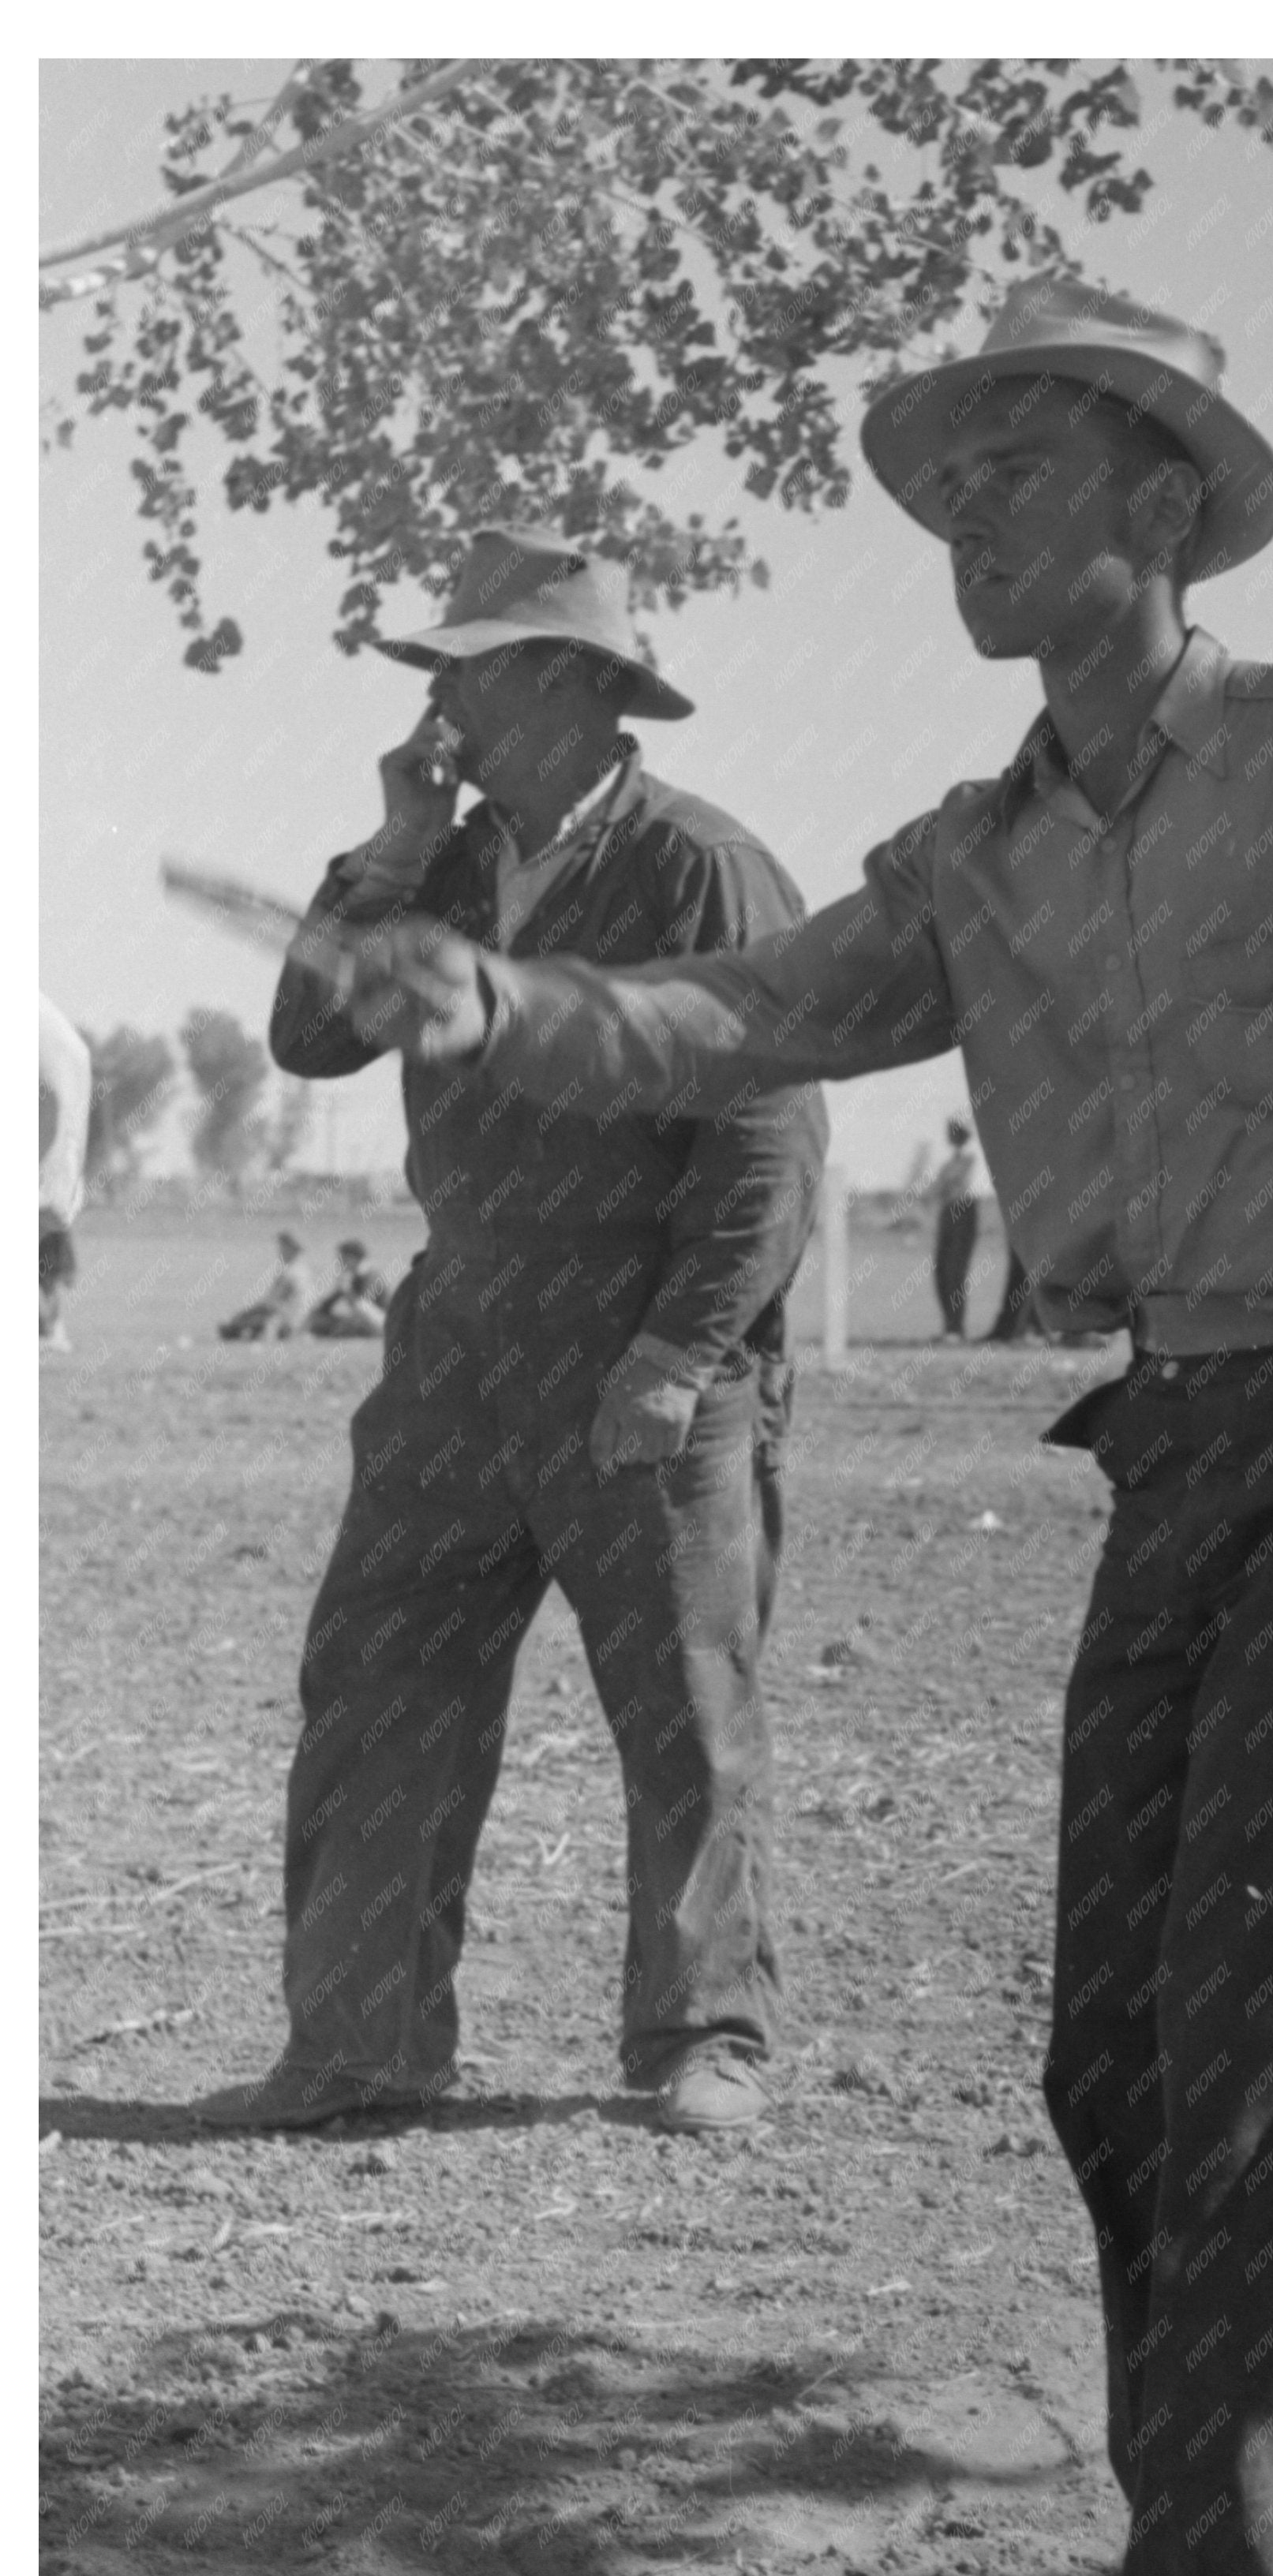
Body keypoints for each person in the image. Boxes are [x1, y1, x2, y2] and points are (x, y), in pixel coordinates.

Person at [335, 279, 1273, 2576]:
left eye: (1009, 473)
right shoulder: (974, 850)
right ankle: (1202, 2559)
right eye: (945, 488)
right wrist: (481, 1001)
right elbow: (740, 1014)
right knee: (1112, 2057)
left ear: (1155, 496)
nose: (957, 521)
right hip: (1170, 1451)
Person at [196, 526, 826, 2140]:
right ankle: (360, 2042)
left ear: (563, 681)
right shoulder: (450, 859)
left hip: (643, 1340)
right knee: (383, 1673)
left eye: (466, 663)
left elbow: (764, 1140)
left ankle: (708, 2040)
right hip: (462, 1332)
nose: (444, 695)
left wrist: (682, 1350)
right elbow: (308, 1032)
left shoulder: (703, 866)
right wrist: (395, 844)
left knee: (684, 1702)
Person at [39, 994, 91, 1352]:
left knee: (52, 1280)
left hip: (50, 1218)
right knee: (52, 1279)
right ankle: (51, 1332)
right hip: (52, 1210)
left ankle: (50, 1332)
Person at [930, 1117, 980, 1340]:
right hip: (948, 1212)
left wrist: (945, 1183)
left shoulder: (971, 1158)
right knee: (942, 1271)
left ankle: (956, 1328)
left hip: (964, 1210)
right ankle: (950, 1326)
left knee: (955, 1271)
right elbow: (939, 1188)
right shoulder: (949, 1162)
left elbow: (954, 1182)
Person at [219, 1228, 313, 1341]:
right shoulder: (301, 1269)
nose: (280, 1251)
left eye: (282, 1247)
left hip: (288, 1321)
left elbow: (274, 1303)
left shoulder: (292, 1272)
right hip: (299, 1319)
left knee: (247, 1322)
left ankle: (248, 1329)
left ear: (291, 1249)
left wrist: (244, 1315)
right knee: (250, 1318)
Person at [305, 1236, 391, 1339]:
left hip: (382, 1322)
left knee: (358, 1312)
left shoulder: (371, 1275)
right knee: (320, 1320)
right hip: (362, 1320)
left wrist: (347, 1290)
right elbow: (326, 1306)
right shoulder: (351, 1276)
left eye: (343, 1258)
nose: (340, 1262)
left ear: (354, 1259)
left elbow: (363, 1307)